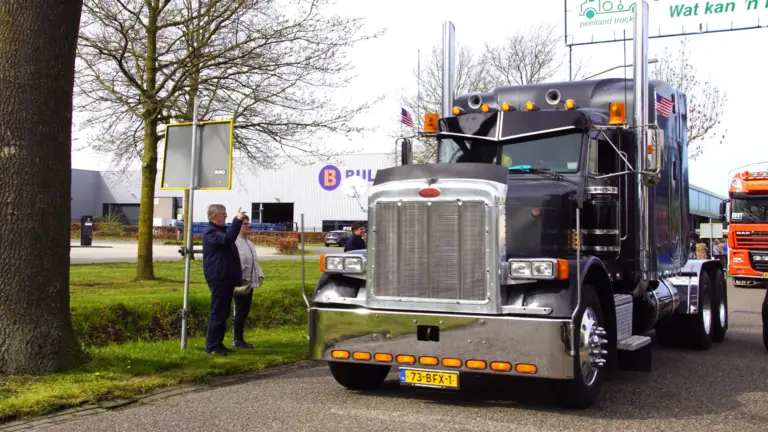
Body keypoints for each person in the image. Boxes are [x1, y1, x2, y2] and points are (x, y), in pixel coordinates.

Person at [203, 204, 246, 356]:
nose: (225, 216)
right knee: (218, 313)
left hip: (226, 278)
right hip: (219, 278)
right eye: (223, 213)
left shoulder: (219, 230)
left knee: (223, 313)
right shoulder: (211, 232)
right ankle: (212, 347)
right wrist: (238, 220)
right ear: (214, 215)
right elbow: (228, 239)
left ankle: (217, 344)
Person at [233, 215, 264, 349]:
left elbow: (254, 262)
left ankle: (240, 338)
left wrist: (260, 275)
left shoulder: (249, 243)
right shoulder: (234, 242)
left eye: (248, 224)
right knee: (239, 311)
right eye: (245, 224)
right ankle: (237, 339)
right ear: (239, 226)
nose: (248, 226)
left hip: (249, 283)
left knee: (245, 311)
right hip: (239, 283)